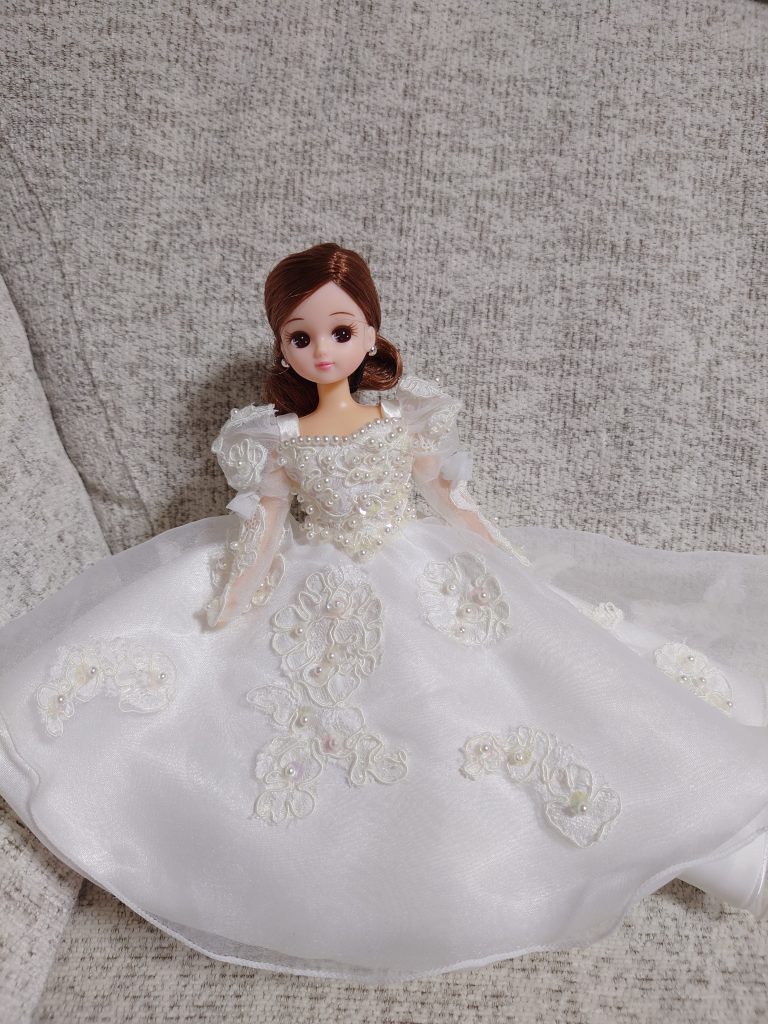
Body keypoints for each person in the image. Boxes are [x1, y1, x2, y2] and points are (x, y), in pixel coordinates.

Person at [1, 241, 767, 983]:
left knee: (523, 683)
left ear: (370, 333)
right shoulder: (278, 438)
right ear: (283, 349)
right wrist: (236, 596)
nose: (321, 350)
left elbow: (452, 502)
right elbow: (265, 524)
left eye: (340, 331)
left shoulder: (402, 422)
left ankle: (705, 831)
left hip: (419, 567)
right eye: (300, 337)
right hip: (322, 592)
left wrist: (510, 563)